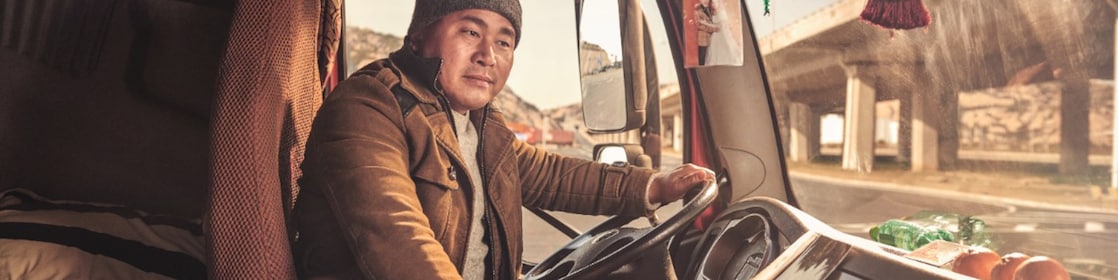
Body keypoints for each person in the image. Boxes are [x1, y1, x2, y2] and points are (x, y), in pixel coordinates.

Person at [292, 1, 715, 279]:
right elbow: (397, 241)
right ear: (418, 36)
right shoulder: (368, 107)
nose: (488, 56)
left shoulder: (478, 123)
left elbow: (551, 175)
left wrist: (653, 186)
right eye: (470, 33)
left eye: (504, 41)